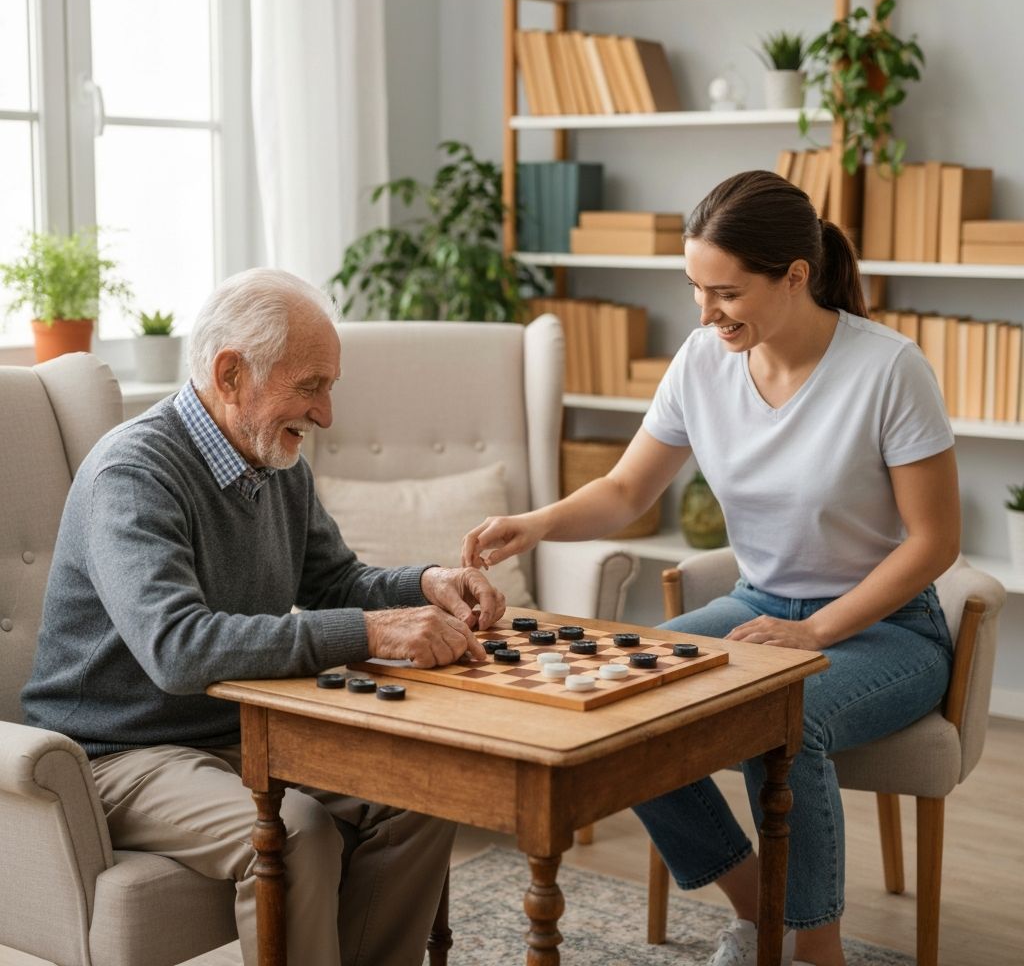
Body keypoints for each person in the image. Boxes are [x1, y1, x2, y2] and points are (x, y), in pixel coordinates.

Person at [462, 170, 960, 966]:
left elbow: (934, 543)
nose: (703, 312)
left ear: (795, 277)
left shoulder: (889, 370)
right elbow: (628, 488)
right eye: (694, 287)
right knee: (625, 707)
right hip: (758, 604)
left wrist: (818, 633)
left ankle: (816, 950)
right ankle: (763, 914)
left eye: (724, 292)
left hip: (889, 629)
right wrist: (535, 523)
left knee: (788, 725)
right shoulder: (702, 361)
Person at [22, 268, 505, 966]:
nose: (327, 414)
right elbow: (180, 649)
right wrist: (373, 633)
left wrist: (428, 584)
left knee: (421, 795)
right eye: (311, 386)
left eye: (328, 387)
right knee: (294, 827)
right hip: (116, 750)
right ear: (230, 372)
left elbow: (336, 579)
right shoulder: (132, 475)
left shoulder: (276, 462)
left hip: (242, 730)